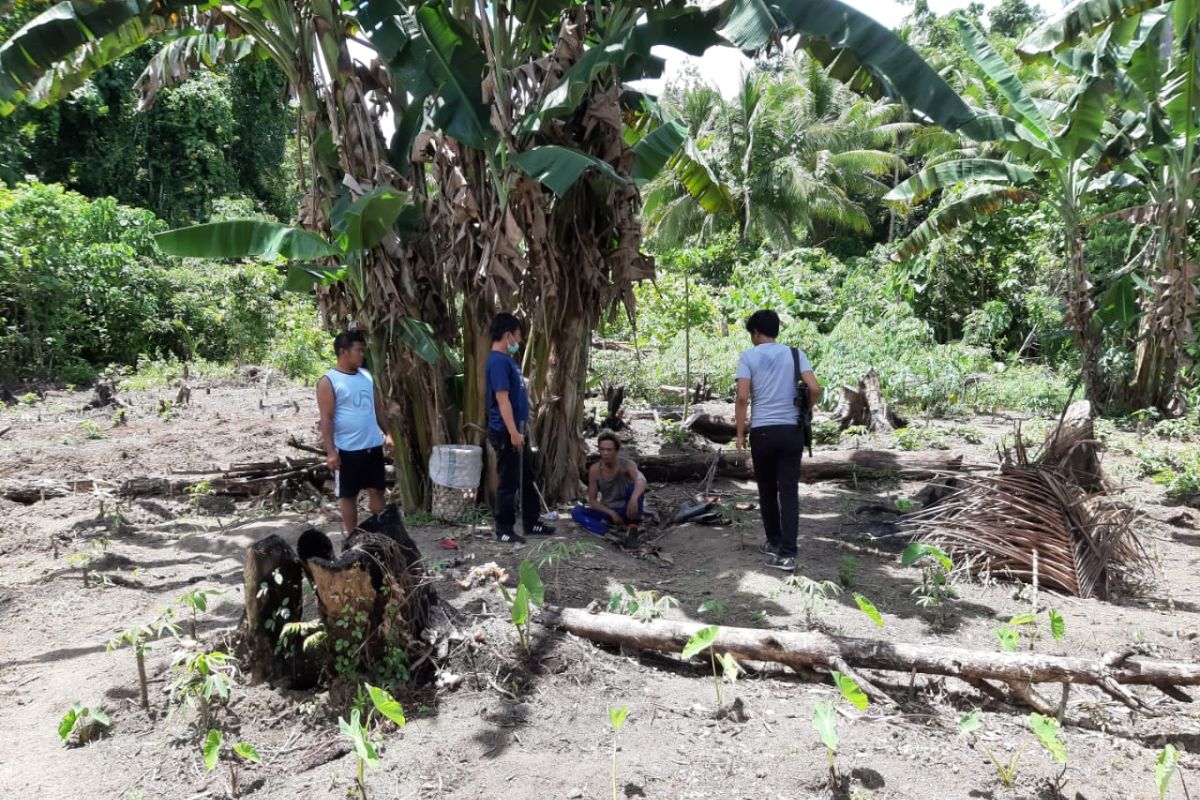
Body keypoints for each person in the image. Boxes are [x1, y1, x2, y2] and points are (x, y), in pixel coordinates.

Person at [734, 310, 822, 572]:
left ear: (755, 333)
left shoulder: (748, 357)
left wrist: (740, 434)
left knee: (767, 490)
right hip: (790, 430)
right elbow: (814, 388)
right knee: (789, 491)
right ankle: (787, 553)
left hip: (762, 431)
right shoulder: (795, 354)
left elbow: (742, 397)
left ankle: (774, 541)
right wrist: (805, 411)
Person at [485, 313, 556, 543]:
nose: (519, 340)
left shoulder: (507, 360)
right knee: (508, 482)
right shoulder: (497, 361)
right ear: (508, 336)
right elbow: (502, 400)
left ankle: (531, 522)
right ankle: (504, 529)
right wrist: (514, 432)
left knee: (526, 477)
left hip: (517, 431)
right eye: (517, 336)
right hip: (507, 432)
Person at [317, 330, 393, 533]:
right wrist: (331, 452)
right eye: (358, 350)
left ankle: (381, 533)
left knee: (376, 490)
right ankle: (352, 537)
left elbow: (377, 408)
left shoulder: (367, 376)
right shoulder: (329, 381)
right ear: (343, 352)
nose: (362, 355)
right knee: (348, 495)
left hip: (372, 446)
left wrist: (388, 433)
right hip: (348, 449)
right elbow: (326, 419)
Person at [572, 431, 648, 547]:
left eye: (609, 450)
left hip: (627, 510)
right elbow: (592, 501)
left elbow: (641, 480)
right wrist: (611, 513)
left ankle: (633, 529)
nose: (605, 453)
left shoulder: (626, 465)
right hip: (608, 511)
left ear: (616, 451)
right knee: (577, 511)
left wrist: (634, 499)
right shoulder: (595, 469)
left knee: (635, 488)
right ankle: (609, 532)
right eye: (602, 449)